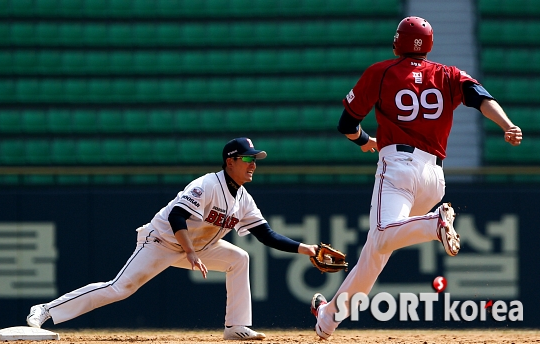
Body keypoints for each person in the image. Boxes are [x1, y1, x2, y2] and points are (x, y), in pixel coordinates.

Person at [310, 16, 523, 339]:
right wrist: (507, 125)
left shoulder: (381, 72)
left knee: (381, 236)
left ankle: (433, 223)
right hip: (434, 176)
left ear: (399, 41)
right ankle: (328, 319)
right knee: (375, 254)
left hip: (398, 166)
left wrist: (363, 140)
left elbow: (346, 124)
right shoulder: (448, 74)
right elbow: (481, 97)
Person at [26, 137, 319, 341]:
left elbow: (265, 234)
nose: (253, 164)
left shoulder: (243, 199)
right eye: (247, 159)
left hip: (199, 248)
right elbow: (176, 216)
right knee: (119, 288)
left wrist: (307, 250)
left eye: (255, 160)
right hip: (162, 242)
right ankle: (45, 310)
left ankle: (236, 326)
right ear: (230, 162)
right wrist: (190, 252)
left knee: (239, 258)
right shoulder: (206, 184)